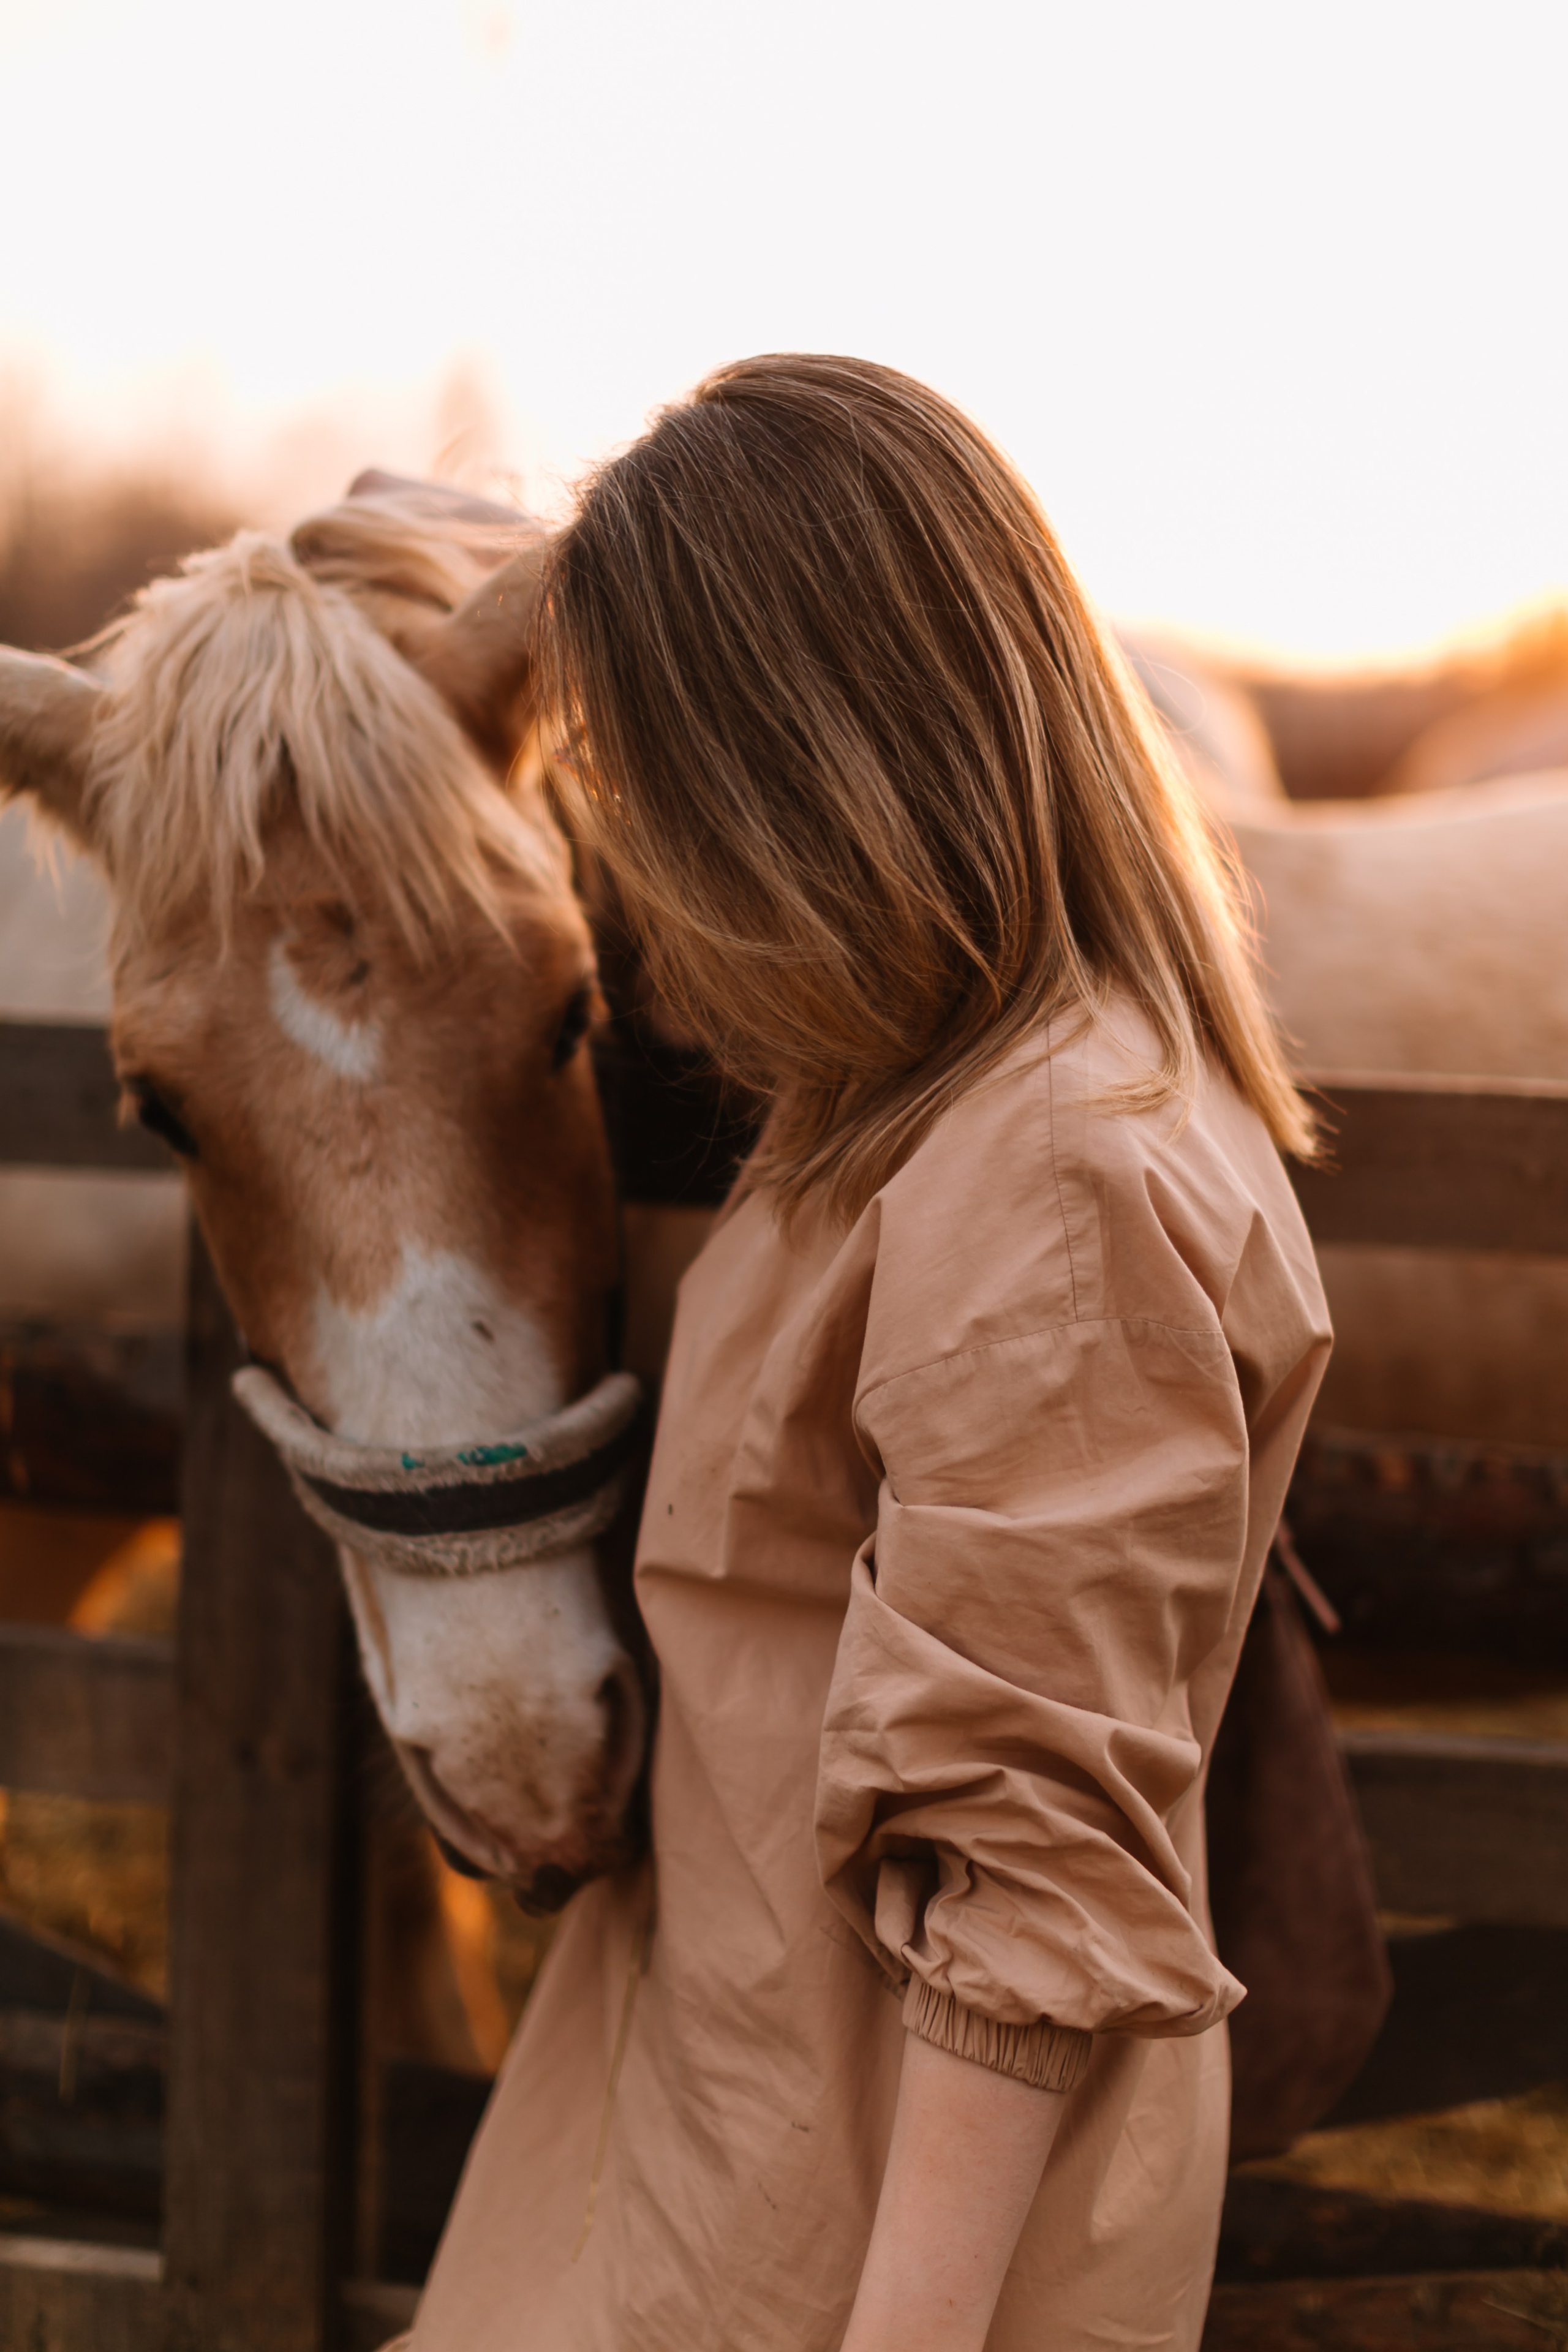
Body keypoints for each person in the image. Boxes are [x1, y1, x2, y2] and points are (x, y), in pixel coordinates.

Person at [407, 353, 1331, 2352]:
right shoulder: (915, 1102)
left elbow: (1030, 1890)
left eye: (655, 803)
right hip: (704, 2146)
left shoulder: (1052, 1179)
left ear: (796, 789)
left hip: (837, 2251)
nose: (639, 884)